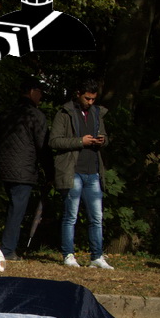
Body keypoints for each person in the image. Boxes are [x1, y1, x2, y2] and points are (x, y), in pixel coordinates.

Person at [50, 79, 113, 269]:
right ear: (78, 94)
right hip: (73, 170)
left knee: (97, 217)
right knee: (71, 216)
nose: (90, 102)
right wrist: (80, 141)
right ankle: (68, 254)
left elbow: (106, 138)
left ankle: (97, 257)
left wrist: (102, 140)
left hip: (93, 171)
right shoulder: (65, 113)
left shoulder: (97, 113)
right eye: (87, 98)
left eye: (93, 99)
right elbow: (54, 141)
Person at [0, 77, 49, 260]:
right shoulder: (35, 116)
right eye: (40, 92)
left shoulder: (6, 113)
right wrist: (50, 172)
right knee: (17, 210)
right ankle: (8, 249)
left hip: (4, 167)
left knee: (12, 208)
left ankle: (4, 245)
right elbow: (43, 146)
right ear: (32, 92)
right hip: (24, 169)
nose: (41, 97)